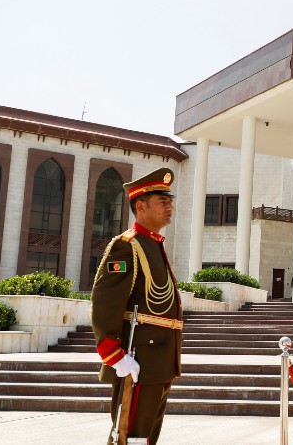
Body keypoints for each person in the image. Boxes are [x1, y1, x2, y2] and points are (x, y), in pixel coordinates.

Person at [91, 167, 182, 444]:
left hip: (158, 358)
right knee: (128, 434)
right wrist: (113, 354)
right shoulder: (127, 246)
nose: (170, 207)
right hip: (138, 357)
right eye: (162, 202)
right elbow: (105, 301)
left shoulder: (153, 244)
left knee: (145, 436)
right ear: (140, 206)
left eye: (170, 201)